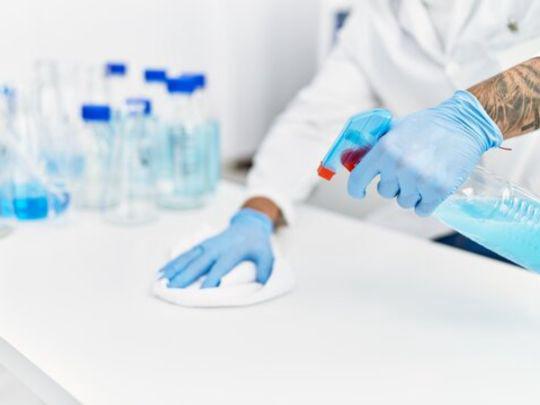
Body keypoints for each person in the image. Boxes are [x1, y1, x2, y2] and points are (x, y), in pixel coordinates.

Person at [160, 0, 540, 288]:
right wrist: (257, 211)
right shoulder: (378, 17)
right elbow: (314, 120)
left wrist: (473, 118)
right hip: (443, 222)